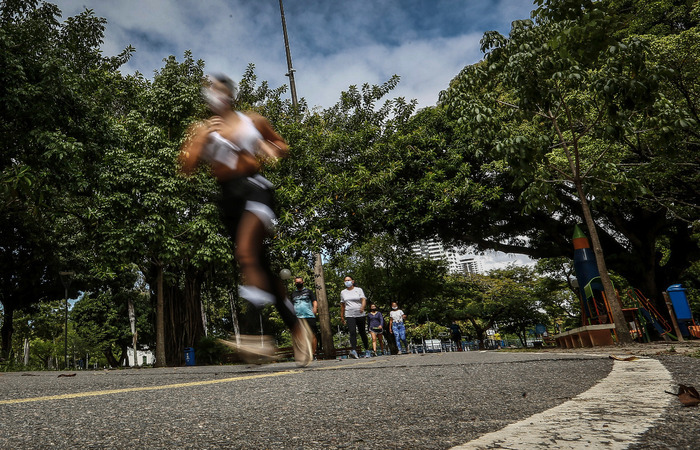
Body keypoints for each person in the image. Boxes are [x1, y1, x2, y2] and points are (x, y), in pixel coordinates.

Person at [179, 74, 313, 367]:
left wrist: (270, 149)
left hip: (256, 188)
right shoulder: (203, 129)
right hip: (228, 199)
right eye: (209, 90)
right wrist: (199, 143)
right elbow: (186, 167)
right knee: (258, 267)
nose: (213, 95)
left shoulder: (252, 120)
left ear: (229, 95)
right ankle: (296, 328)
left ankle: (254, 336)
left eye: (218, 90)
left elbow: (280, 145)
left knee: (246, 253)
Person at [340, 276, 369, 359]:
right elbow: (342, 305)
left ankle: (367, 350)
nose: (347, 282)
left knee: (362, 332)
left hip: (360, 314)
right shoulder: (343, 292)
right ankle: (354, 350)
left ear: (352, 281)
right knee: (352, 332)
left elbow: (363, 300)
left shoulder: (358, 290)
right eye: (345, 281)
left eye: (348, 280)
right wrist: (342, 316)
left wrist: (362, 307)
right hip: (349, 314)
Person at [290, 276, 319, 356]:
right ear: (295, 283)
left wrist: (315, 308)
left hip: (309, 316)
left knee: (312, 334)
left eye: (300, 282)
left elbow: (314, 301)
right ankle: (304, 354)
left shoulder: (308, 291)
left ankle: (313, 353)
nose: (298, 283)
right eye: (297, 282)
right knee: (300, 336)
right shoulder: (293, 294)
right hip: (298, 317)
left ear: (303, 282)